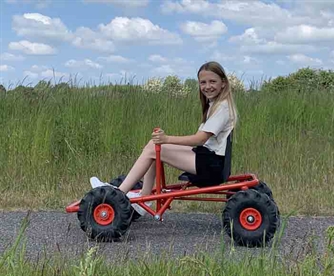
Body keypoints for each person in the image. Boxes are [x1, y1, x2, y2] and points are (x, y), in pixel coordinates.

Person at [90, 61, 238, 216]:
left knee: (155, 147)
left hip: (211, 166)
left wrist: (166, 139)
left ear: (223, 83)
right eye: (203, 82)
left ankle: (118, 194)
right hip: (209, 159)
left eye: (212, 81)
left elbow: (200, 139)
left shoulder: (222, 107)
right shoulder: (217, 104)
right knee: (153, 147)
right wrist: (164, 141)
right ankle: (143, 197)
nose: (208, 86)